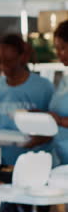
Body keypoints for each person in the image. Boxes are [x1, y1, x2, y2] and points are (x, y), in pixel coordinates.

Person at [0, 34, 54, 166]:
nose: (3, 66)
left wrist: (37, 140)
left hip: (39, 163)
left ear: (22, 58)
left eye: (9, 61)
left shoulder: (43, 87)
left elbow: (55, 129)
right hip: (9, 164)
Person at [46, 20, 68, 164]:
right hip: (61, 156)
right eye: (56, 48)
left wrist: (60, 121)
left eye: (63, 48)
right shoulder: (65, 79)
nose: (58, 53)